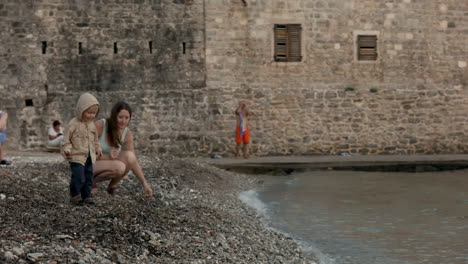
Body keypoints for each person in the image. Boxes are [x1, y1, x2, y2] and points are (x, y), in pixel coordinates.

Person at [93, 102, 153, 198]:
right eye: (120, 117)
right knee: (119, 167)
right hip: (89, 164)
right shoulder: (101, 125)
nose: (123, 121)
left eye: (126, 118)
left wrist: (145, 184)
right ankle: (89, 182)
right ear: (114, 116)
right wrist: (107, 157)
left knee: (130, 156)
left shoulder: (127, 133)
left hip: (107, 163)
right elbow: (85, 152)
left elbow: (133, 161)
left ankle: (111, 186)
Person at [62, 93, 102, 205]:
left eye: (94, 113)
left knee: (89, 177)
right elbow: (66, 139)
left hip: (89, 156)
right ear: (81, 110)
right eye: (89, 112)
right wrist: (67, 149)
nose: (91, 116)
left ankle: (87, 196)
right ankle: (74, 195)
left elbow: (95, 140)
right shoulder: (73, 124)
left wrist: (98, 149)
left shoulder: (92, 125)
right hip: (76, 156)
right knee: (79, 177)